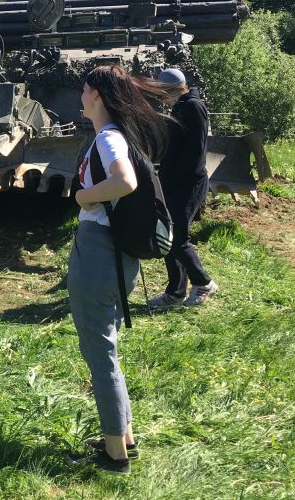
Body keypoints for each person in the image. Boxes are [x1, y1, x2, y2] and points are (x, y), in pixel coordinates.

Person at [68, 64, 169, 474]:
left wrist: (84, 197)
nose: (80, 95)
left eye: (84, 89)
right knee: (106, 348)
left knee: (99, 353)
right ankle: (124, 437)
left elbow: (125, 182)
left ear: (96, 95)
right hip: (117, 255)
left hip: (99, 252)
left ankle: (114, 455)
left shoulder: (108, 137)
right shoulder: (120, 135)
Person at [148, 68, 219, 308]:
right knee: (168, 236)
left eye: (162, 92)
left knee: (178, 236)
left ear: (174, 89)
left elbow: (195, 151)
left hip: (189, 183)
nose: (160, 97)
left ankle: (203, 283)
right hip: (174, 182)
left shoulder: (193, 107)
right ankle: (175, 292)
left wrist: (175, 178)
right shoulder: (179, 107)